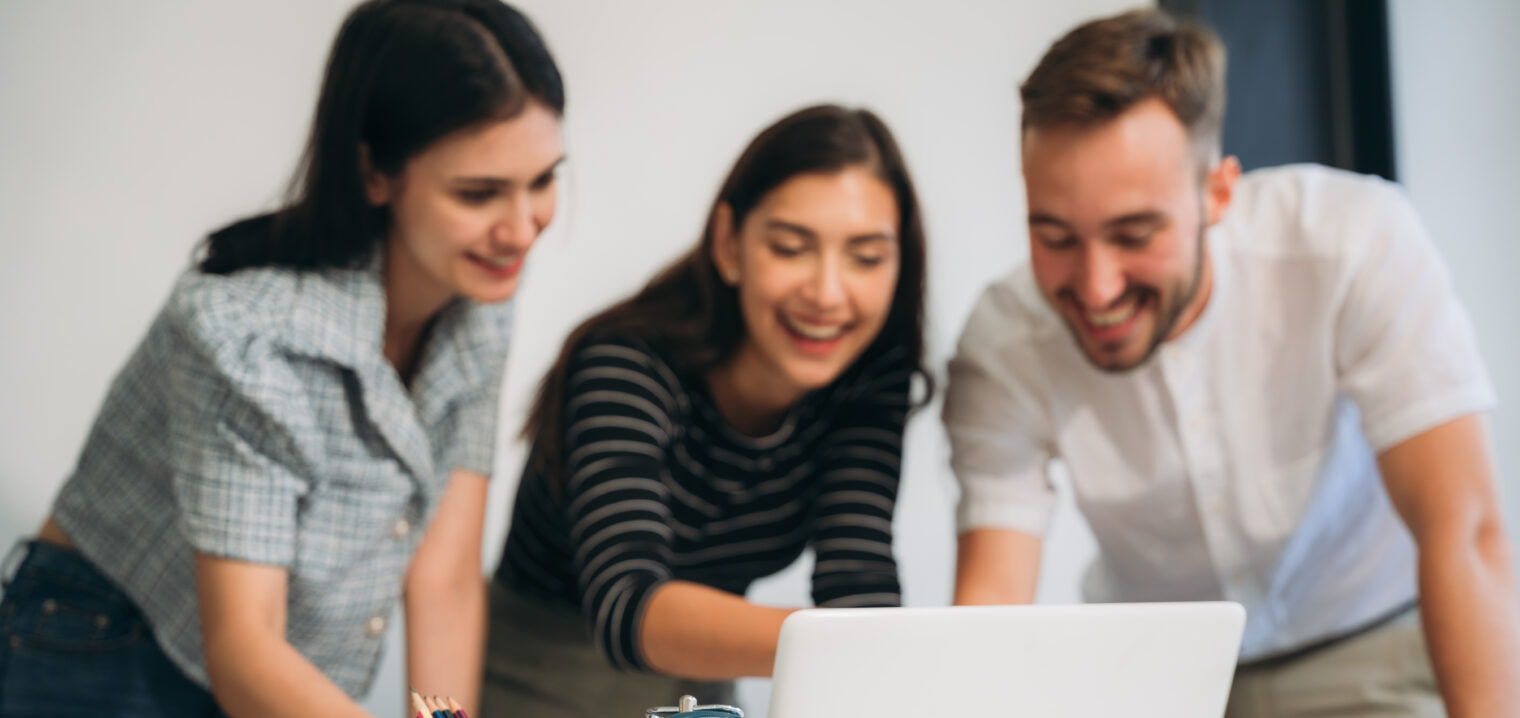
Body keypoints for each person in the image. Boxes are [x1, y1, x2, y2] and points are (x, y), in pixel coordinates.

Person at [945, 9, 1519, 717]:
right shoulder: (1003, 340)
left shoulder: (1353, 240)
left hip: (1371, 647)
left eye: (1134, 233)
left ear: (1217, 192)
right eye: (1055, 236)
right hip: (1155, 674)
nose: (1095, 287)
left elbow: (1461, 531)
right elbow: (991, 607)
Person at [0, 1, 565, 715]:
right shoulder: (242, 333)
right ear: (374, 172)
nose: (521, 229)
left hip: (276, 679)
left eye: (543, 180)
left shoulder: (481, 289)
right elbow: (245, 649)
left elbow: (445, 576)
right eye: (479, 193)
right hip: (105, 648)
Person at [482, 104, 931, 718]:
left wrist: (874, 647)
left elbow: (859, 580)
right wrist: (855, 644)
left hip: (703, 686)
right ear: (729, 245)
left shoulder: (869, 378)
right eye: (792, 247)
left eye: (867, 257)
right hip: (540, 675)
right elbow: (628, 607)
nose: (828, 293)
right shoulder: (625, 364)